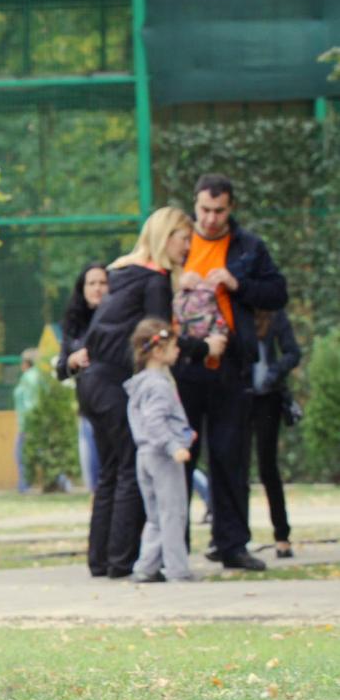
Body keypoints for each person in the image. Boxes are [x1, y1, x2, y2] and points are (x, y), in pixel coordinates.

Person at [72, 208, 222, 579]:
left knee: (111, 471)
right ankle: (122, 562)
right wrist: (205, 348)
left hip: (92, 382)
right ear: (165, 236)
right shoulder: (153, 280)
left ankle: (103, 560)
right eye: (182, 238)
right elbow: (160, 336)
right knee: (128, 469)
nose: (188, 247)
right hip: (113, 382)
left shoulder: (122, 271)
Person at [175, 174, 287, 572]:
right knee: (179, 457)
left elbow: (277, 293)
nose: (210, 218)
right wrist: (178, 282)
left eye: (219, 211)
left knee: (230, 457)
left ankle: (232, 544)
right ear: (195, 204)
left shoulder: (249, 248)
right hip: (183, 365)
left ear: (231, 208)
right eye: (204, 209)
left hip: (230, 365)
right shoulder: (179, 240)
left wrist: (238, 284)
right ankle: (173, 547)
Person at [125, 321, 198, 583]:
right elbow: (155, 421)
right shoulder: (159, 386)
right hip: (162, 457)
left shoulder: (141, 384)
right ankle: (178, 570)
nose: (178, 351)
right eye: (174, 346)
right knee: (173, 513)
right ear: (158, 351)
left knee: (155, 516)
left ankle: (146, 567)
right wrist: (174, 445)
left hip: (144, 455)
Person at [250, 307, 302, 558]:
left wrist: (273, 373)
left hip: (267, 398)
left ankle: (282, 534)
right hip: (238, 396)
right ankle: (231, 537)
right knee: (231, 466)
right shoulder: (233, 311)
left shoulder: (275, 314)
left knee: (267, 467)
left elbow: (293, 352)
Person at [55, 263, 108, 491]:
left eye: (103, 283)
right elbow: (60, 370)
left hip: (120, 408)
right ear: (83, 288)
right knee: (95, 482)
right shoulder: (74, 323)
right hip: (89, 411)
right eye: (92, 283)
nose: (97, 288)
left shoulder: (119, 319)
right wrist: (72, 361)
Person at [12, 348, 45, 493]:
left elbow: (29, 403)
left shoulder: (28, 377)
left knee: (21, 455)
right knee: (41, 452)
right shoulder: (37, 376)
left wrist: (27, 425)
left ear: (27, 363)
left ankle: (23, 486)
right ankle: (62, 481)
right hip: (34, 422)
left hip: (28, 424)